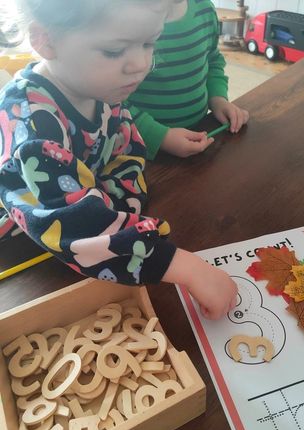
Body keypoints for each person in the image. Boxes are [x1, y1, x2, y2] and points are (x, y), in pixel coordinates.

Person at [0, 0, 237, 320]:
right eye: (114, 51)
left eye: (149, 43)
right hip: (23, 251)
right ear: (46, 40)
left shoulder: (100, 86)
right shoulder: (32, 123)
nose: (141, 64)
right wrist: (183, 266)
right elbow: (72, 225)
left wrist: (118, 209)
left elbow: (127, 149)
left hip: (88, 237)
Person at [124, 0, 249, 159]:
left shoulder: (204, 9)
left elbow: (212, 60)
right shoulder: (124, 17)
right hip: (139, 149)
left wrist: (218, 98)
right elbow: (109, 99)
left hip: (200, 135)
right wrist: (160, 137)